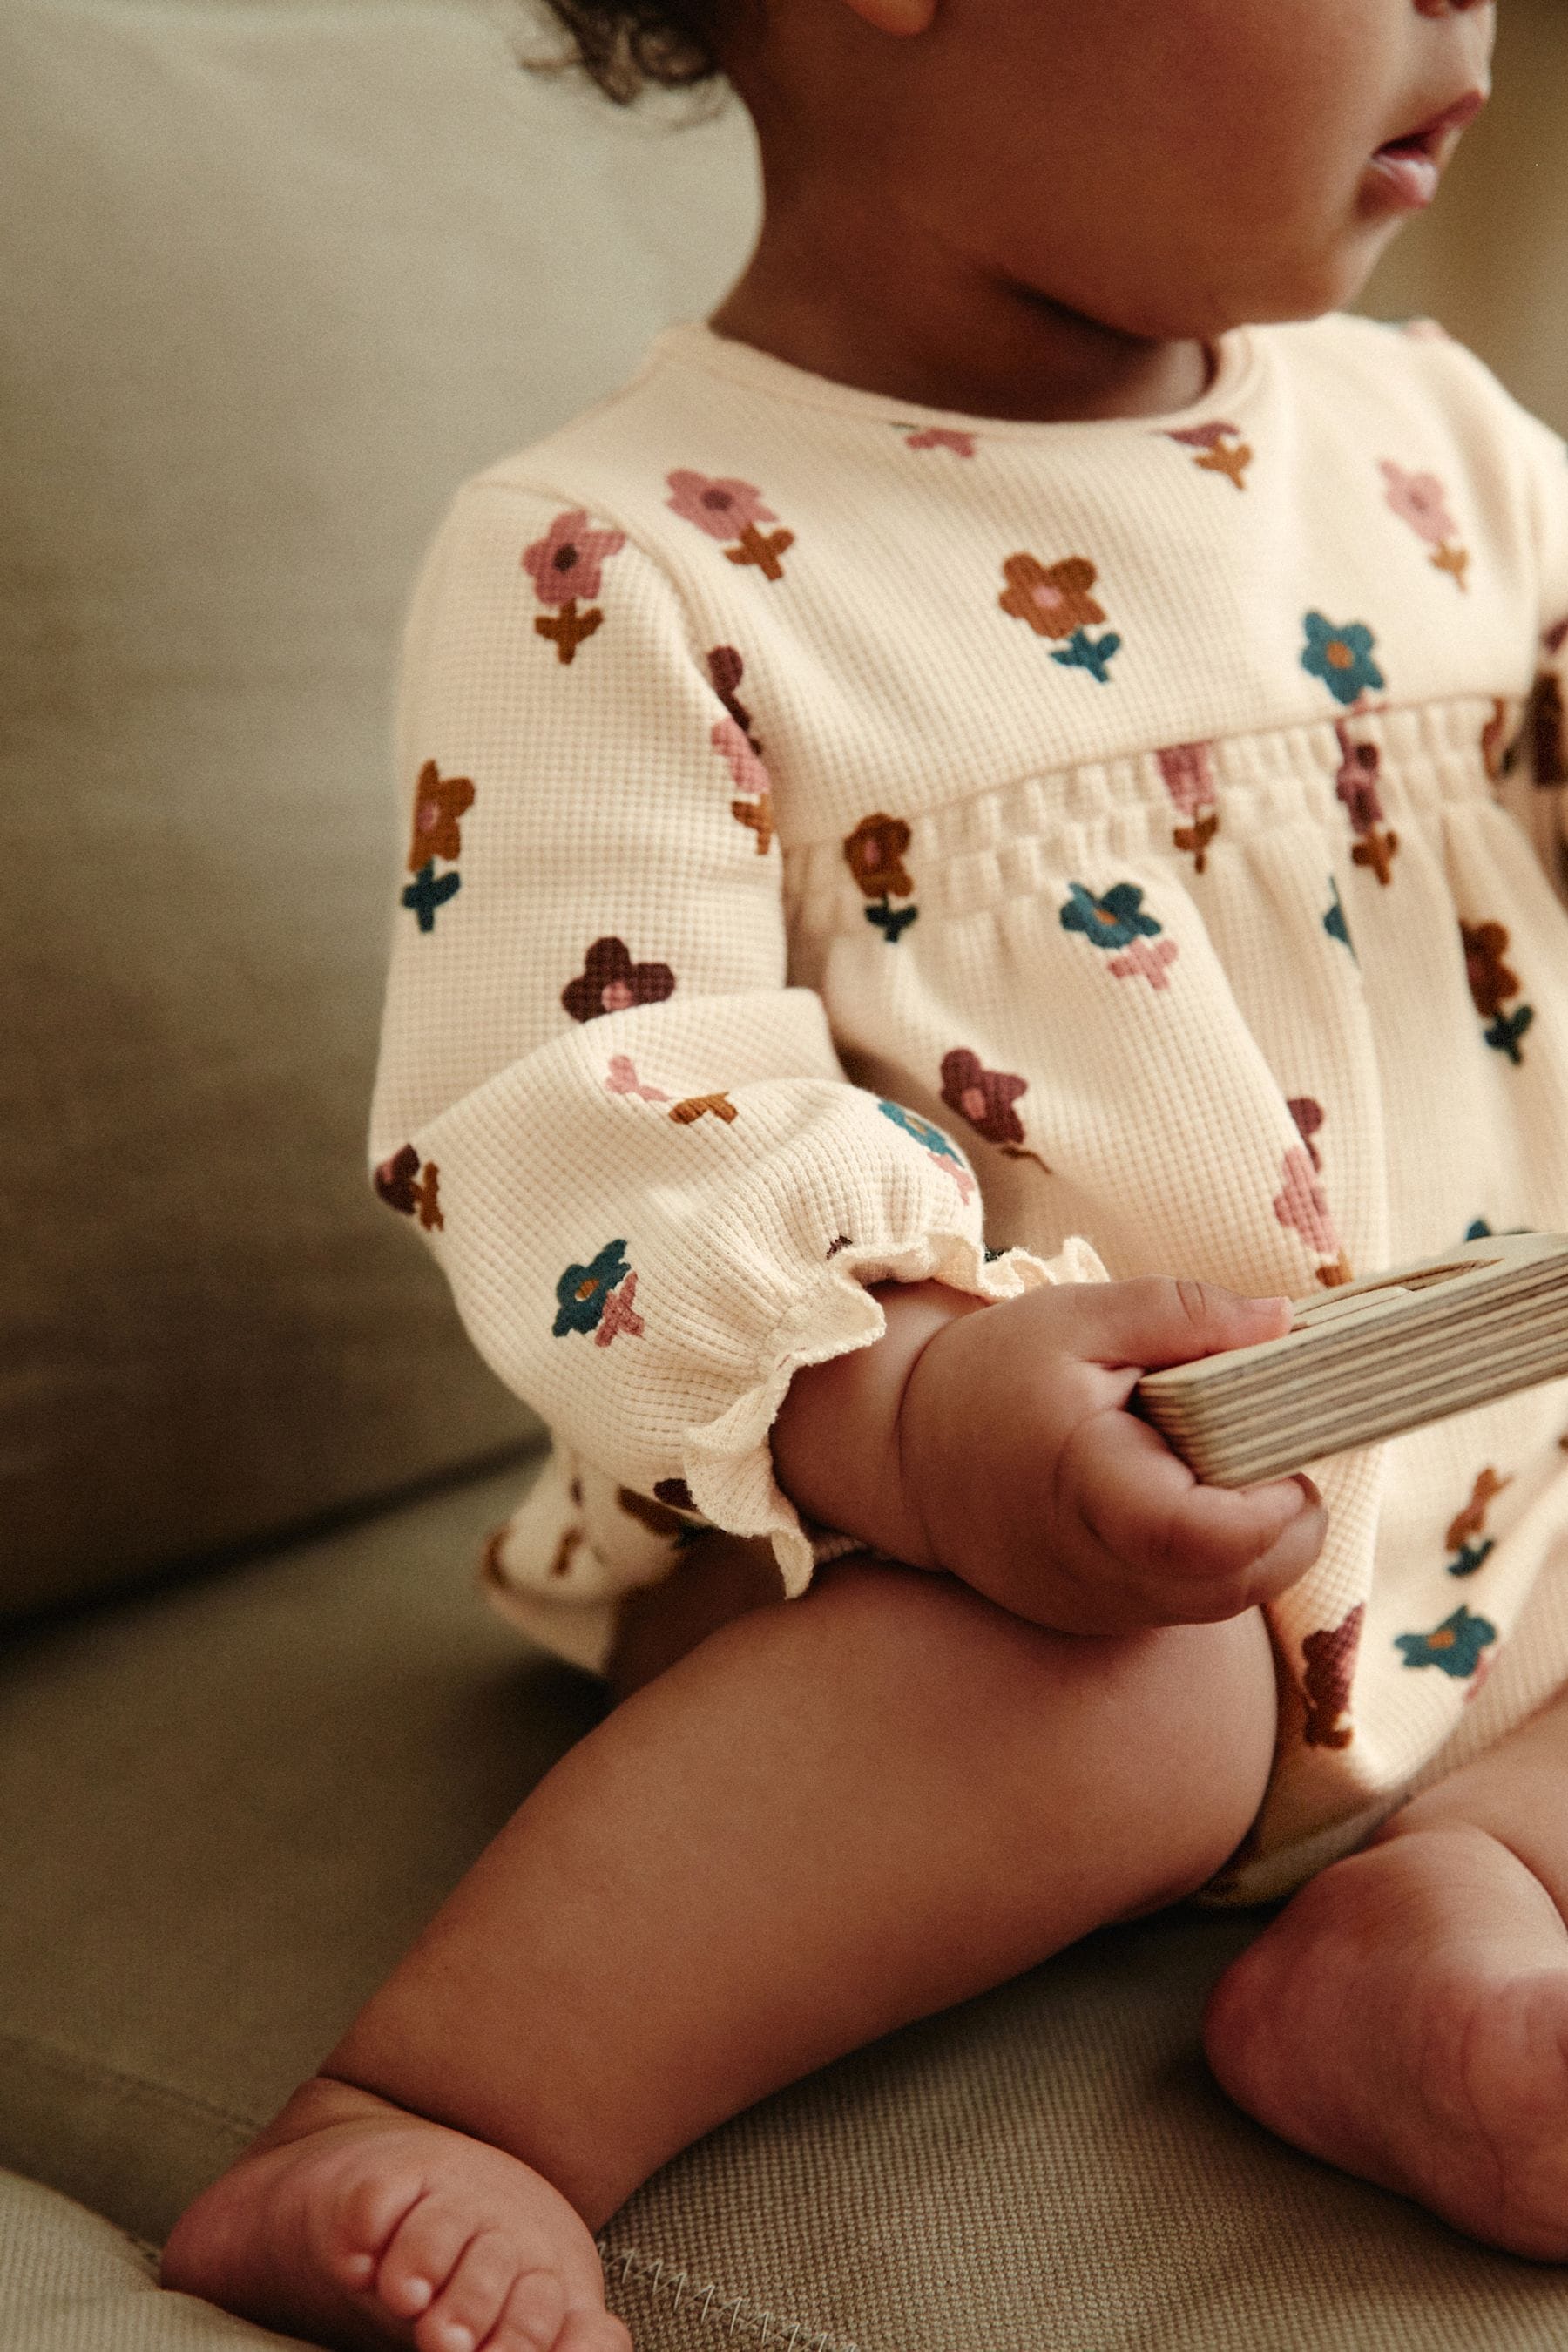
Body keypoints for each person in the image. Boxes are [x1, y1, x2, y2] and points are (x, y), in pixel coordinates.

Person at [162, 0, 1568, 2343]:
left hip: (1495, 1494)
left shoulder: (1440, 444)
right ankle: (450, 2108)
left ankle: (1449, 1918)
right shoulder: (626, 567)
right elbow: (590, 1116)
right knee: (1125, 1697)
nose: (1475, 15)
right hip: (970, 1553)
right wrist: (922, 1404)